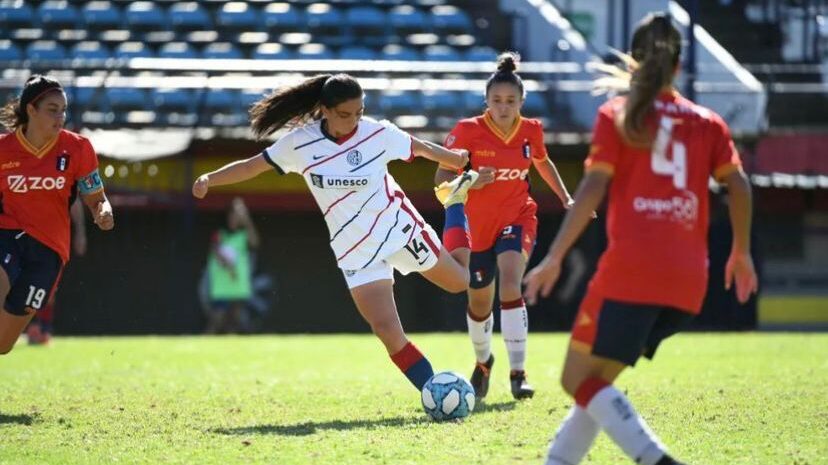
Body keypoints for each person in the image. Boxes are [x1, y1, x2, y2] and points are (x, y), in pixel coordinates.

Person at [523, 13, 758, 465]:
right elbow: (740, 185)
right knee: (597, 384)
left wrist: (554, 256)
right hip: (689, 280)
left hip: (631, 271)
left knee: (576, 380)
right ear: (678, 64)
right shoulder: (708, 121)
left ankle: (655, 459)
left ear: (632, 61)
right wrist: (742, 252)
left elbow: (593, 186)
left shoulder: (618, 114)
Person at [192, 73, 478, 393]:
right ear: (325, 111)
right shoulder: (300, 143)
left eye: (359, 112)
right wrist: (209, 179)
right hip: (354, 249)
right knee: (386, 331)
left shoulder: (376, 133)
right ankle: (435, 391)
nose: (354, 120)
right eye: (345, 114)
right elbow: (251, 166)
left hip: (397, 229)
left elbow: (419, 148)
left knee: (459, 282)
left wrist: (454, 159)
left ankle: (454, 201)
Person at [435, 52, 575, 400]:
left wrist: (566, 198)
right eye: (497, 100)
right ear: (486, 101)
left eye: (511, 101)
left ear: (521, 102)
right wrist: (470, 179)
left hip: (518, 218)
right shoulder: (468, 131)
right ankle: (483, 363)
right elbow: (440, 180)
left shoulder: (532, 131)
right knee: (480, 303)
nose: (503, 106)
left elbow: (542, 163)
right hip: (476, 228)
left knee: (511, 283)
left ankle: (518, 372)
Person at [0, 74, 115, 355]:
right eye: (53, 110)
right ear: (31, 110)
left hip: (49, 251)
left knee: (2, 345)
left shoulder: (78, 148)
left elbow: (96, 198)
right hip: (7, 235)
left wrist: (103, 212)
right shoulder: (3, 149)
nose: (60, 116)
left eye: (63, 110)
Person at [25, 197, 87, 344]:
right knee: (21, 283)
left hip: (53, 239)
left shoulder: (62, 177)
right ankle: (31, 327)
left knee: (48, 287)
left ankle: (43, 329)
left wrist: (80, 233)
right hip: (24, 236)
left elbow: (74, 202)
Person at [204, 197, 260, 334]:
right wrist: (229, 268)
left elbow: (255, 243)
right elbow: (215, 251)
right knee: (217, 320)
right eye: (235, 212)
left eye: (240, 212)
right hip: (222, 284)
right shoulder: (219, 233)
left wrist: (247, 220)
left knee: (234, 322)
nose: (237, 216)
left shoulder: (243, 234)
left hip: (238, 284)